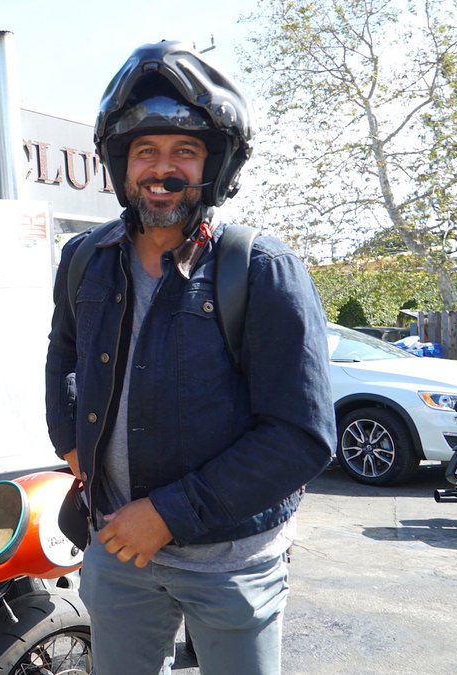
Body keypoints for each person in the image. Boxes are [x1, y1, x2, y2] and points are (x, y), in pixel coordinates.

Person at [45, 41, 335, 674]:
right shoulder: (85, 259)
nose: (162, 168)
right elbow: (64, 352)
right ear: (122, 165)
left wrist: (167, 515)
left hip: (231, 565)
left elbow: (300, 435)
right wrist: (69, 438)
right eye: (145, 151)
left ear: (214, 165)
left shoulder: (261, 270)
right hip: (116, 548)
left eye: (184, 150)